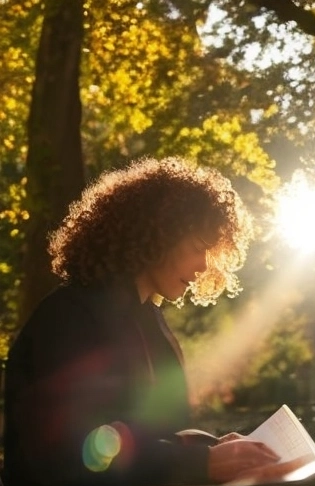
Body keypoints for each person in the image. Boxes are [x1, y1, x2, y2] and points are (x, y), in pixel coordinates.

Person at [3, 156, 281, 486]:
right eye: (196, 247)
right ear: (157, 236)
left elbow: (148, 435)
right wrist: (200, 463)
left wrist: (209, 446)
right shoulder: (70, 318)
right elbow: (73, 451)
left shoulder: (149, 320)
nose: (204, 266)